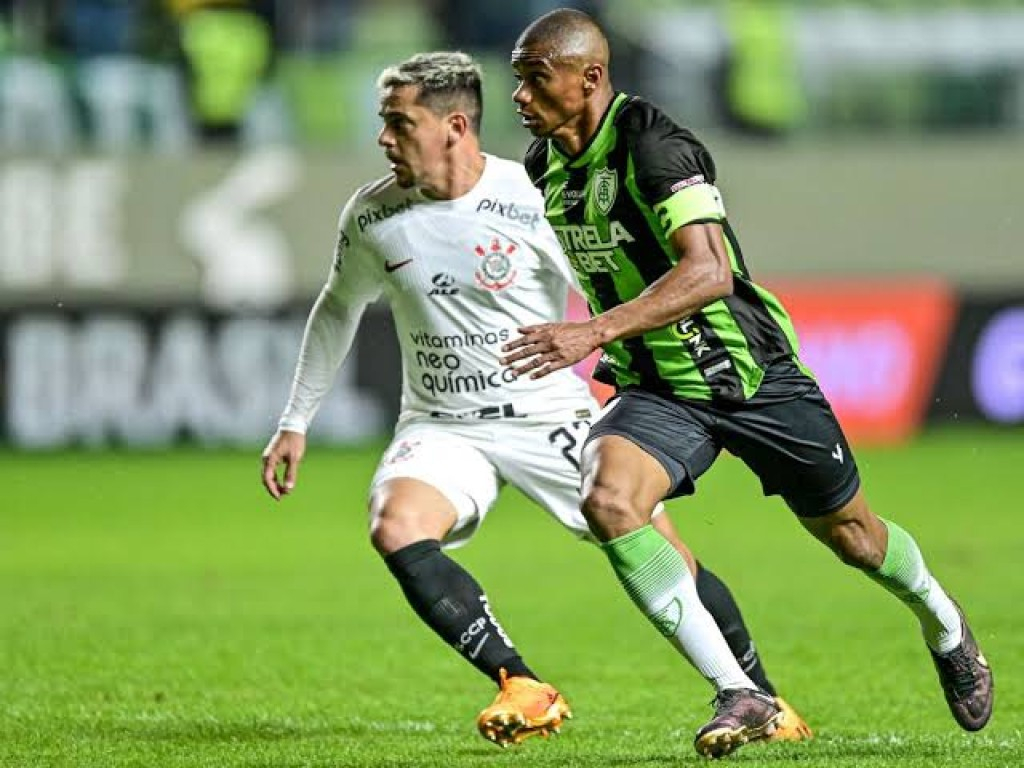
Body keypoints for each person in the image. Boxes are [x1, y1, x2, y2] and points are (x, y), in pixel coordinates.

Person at [261, 50, 811, 749]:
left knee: (660, 551)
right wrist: (294, 421)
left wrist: (634, 361)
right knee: (394, 524)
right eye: (384, 123)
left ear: (454, 125)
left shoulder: (531, 197)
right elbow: (335, 310)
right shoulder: (373, 215)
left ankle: (759, 693)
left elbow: (616, 282)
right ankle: (519, 682)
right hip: (442, 422)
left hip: (547, 414)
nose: (384, 139)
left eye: (399, 123)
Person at [505, 8, 993, 759]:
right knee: (608, 498)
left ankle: (942, 620)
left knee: (855, 539)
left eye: (536, 79)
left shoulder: (654, 144)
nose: (521, 98)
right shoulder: (546, 166)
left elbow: (709, 271)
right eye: (517, 82)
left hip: (751, 378)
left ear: (590, 78)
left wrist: (592, 331)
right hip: (660, 389)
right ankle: (742, 691)